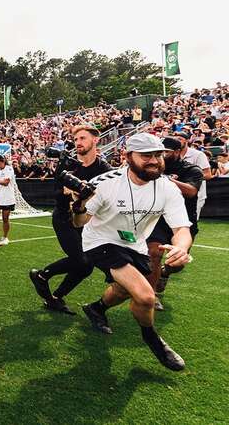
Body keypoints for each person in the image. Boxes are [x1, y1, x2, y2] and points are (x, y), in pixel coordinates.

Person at [76, 133, 191, 371]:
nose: (154, 161)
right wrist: (78, 205)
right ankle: (153, 339)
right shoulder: (104, 183)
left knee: (124, 289)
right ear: (127, 157)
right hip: (101, 240)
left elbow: (181, 228)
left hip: (135, 244)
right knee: (145, 295)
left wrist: (181, 247)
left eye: (158, 155)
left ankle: (96, 308)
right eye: (146, 156)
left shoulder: (168, 188)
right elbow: (79, 222)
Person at [29, 125, 112, 314]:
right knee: (82, 261)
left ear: (95, 140)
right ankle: (42, 275)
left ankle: (55, 296)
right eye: (76, 140)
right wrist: (68, 192)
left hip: (87, 221)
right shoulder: (67, 166)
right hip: (64, 218)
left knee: (86, 266)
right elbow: (56, 194)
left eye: (83, 138)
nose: (78, 143)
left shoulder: (104, 168)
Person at [146, 138, 202, 311]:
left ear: (178, 152)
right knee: (154, 253)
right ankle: (152, 294)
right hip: (160, 219)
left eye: (167, 152)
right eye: (161, 152)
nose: (162, 155)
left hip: (184, 220)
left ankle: (164, 273)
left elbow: (191, 191)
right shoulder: (155, 167)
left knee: (177, 264)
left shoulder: (191, 169)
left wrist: (165, 180)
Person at [175, 133, 212, 219]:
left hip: (196, 194)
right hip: (177, 193)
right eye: (175, 139)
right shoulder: (173, 154)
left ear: (187, 140)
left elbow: (208, 174)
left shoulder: (198, 154)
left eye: (180, 139)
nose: (177, 141)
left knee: (191, 223)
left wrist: (189, 178)